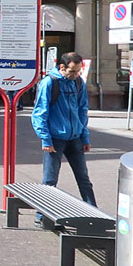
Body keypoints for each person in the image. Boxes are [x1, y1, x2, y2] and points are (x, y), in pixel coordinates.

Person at [30, 51, 96, 225]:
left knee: (84, 179)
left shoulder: (78, 83)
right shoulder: (49, 83)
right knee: (50, 180)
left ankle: (95, 214)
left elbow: (82, 110)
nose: (76, 75)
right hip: (55, 139)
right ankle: (41, 216)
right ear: (62, 67)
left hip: (75, 138)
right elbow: (40, 113)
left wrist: (85, 136)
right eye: (73, 71)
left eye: (78, 71)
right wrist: (45, 139)